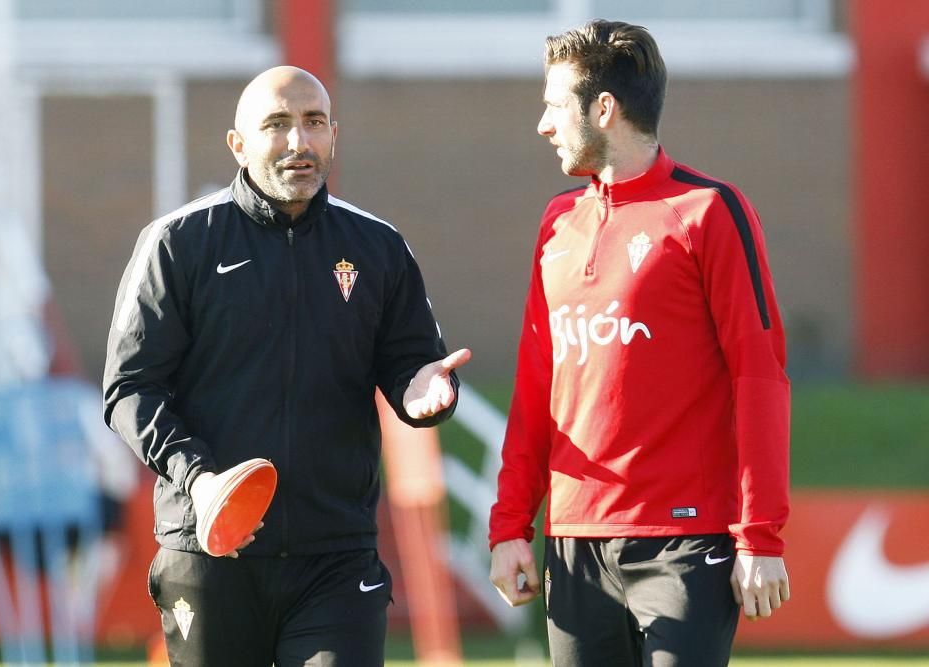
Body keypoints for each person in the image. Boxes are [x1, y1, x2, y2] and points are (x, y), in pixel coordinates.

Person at [103, 65, 470, 667]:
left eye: (314, 123)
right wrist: (200, 482)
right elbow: (130, 389)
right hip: (211, 550)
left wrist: (425, 390)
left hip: (336, 557)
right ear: (238, 144)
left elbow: (412, 365)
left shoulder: (377, 246)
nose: (299, 141)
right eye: (277, 124)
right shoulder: (179, 243)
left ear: (333, 136)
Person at [488, 19, 790, 666]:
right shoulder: (556, 223)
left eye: (553, 104)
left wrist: (759, 535)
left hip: (686, 541)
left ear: (604, 108)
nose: (543, 124)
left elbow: (759, 377)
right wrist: (511, 523)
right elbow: (537, 383)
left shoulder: (710, 211)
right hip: (573, 545)